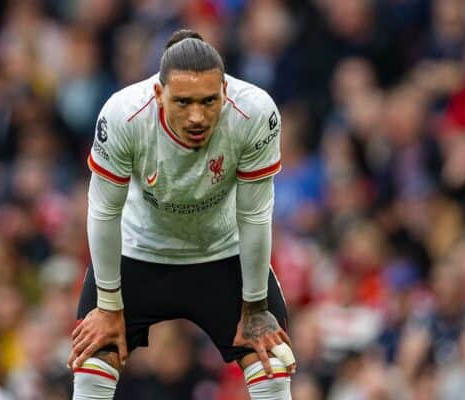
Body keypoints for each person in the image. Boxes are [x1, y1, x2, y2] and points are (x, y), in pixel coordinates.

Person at [67, 29, 296, 400]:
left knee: (272, 358)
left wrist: (254, 306)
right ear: (158, 94)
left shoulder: (254, 112)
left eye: (209, 101)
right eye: (183, 102)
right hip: (137, 254)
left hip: (223, 255)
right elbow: (104, 209)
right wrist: (109, 306)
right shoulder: (124, 115)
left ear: (225, 90)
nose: (197, 117)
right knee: (91, 352)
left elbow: (255, 213)